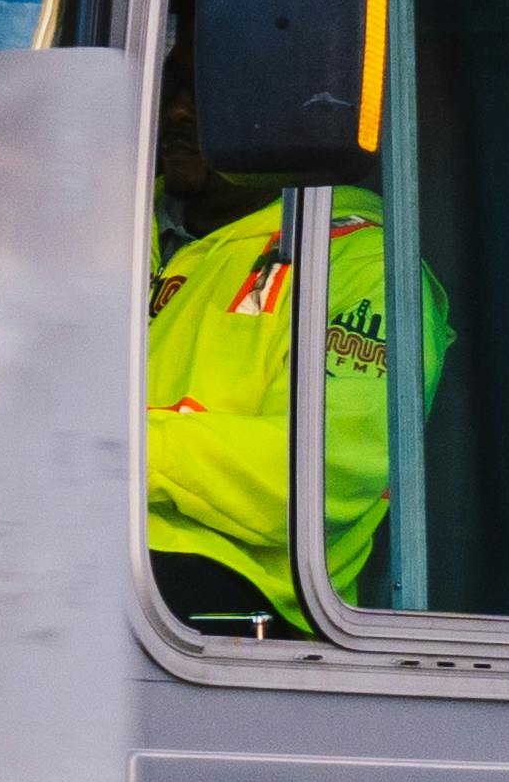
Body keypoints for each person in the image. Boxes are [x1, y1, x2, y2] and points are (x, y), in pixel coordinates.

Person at [142, 184, 410, 622]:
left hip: (242, 592)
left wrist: (132, 455)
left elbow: (326, 470)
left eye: (207, 110)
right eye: (174, 107)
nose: (177, 113)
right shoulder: (112, 230)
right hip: (86, 535)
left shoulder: (365, 264)